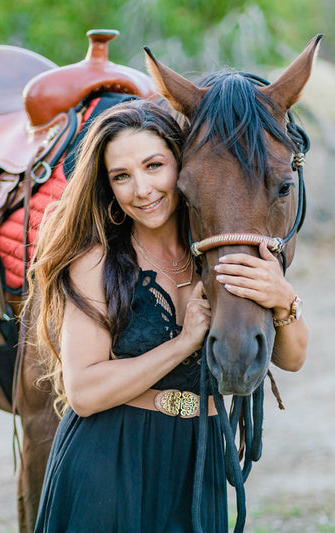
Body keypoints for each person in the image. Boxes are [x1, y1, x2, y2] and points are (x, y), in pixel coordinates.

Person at [27, 98, 308, 533]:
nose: (142, 189)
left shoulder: (219, 251)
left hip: (199, 461)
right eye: (122, 176)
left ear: (183, 165)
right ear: (109, 188)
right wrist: (183, 343)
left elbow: (291, 359)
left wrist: (283, 297)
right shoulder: (98, 262)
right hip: (112, 459)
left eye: (154, 166)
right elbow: (82, 391)